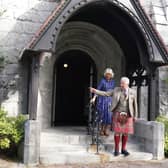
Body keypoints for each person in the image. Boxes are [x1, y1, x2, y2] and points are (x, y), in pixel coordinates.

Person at [90, 77, 138, 156]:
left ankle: (123, 149)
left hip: (128, 114)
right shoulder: (116, 90)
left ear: (127, 84)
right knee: (117, 132)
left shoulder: (133, 92)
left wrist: (135, 115)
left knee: (126, 133)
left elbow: (135, 104)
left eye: (123, 83)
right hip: (118, 113)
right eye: (121, 83)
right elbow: (106, 93)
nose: (121, 85)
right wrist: (95, 91)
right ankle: (116, 150)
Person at [90, 68, 115, 136]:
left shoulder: (113, 82)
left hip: (109, 100)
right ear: (105, 74)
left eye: (109, 74)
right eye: (107, 74)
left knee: (109, 115)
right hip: (102, 100)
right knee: (102, 115)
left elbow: (113, 91)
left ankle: (107, 129)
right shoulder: (102, 81)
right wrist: (94, 98)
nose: (108, 75)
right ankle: (101, 129)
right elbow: (97, 90)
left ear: (111, 75)